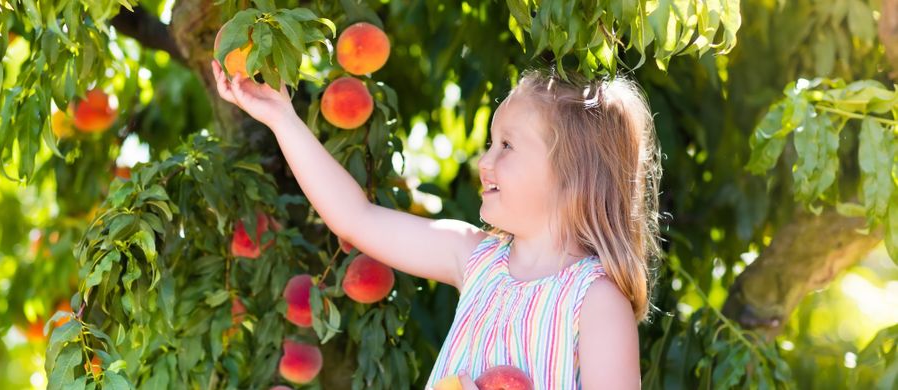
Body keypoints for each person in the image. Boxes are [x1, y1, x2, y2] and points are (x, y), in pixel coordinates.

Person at [212, 60, 661, 389]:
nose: (485, 161)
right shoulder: (474, 257)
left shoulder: (596, 302)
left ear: (571, 174)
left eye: (506, 146)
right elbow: (355, 219)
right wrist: (281, 119)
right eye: (490, 143)